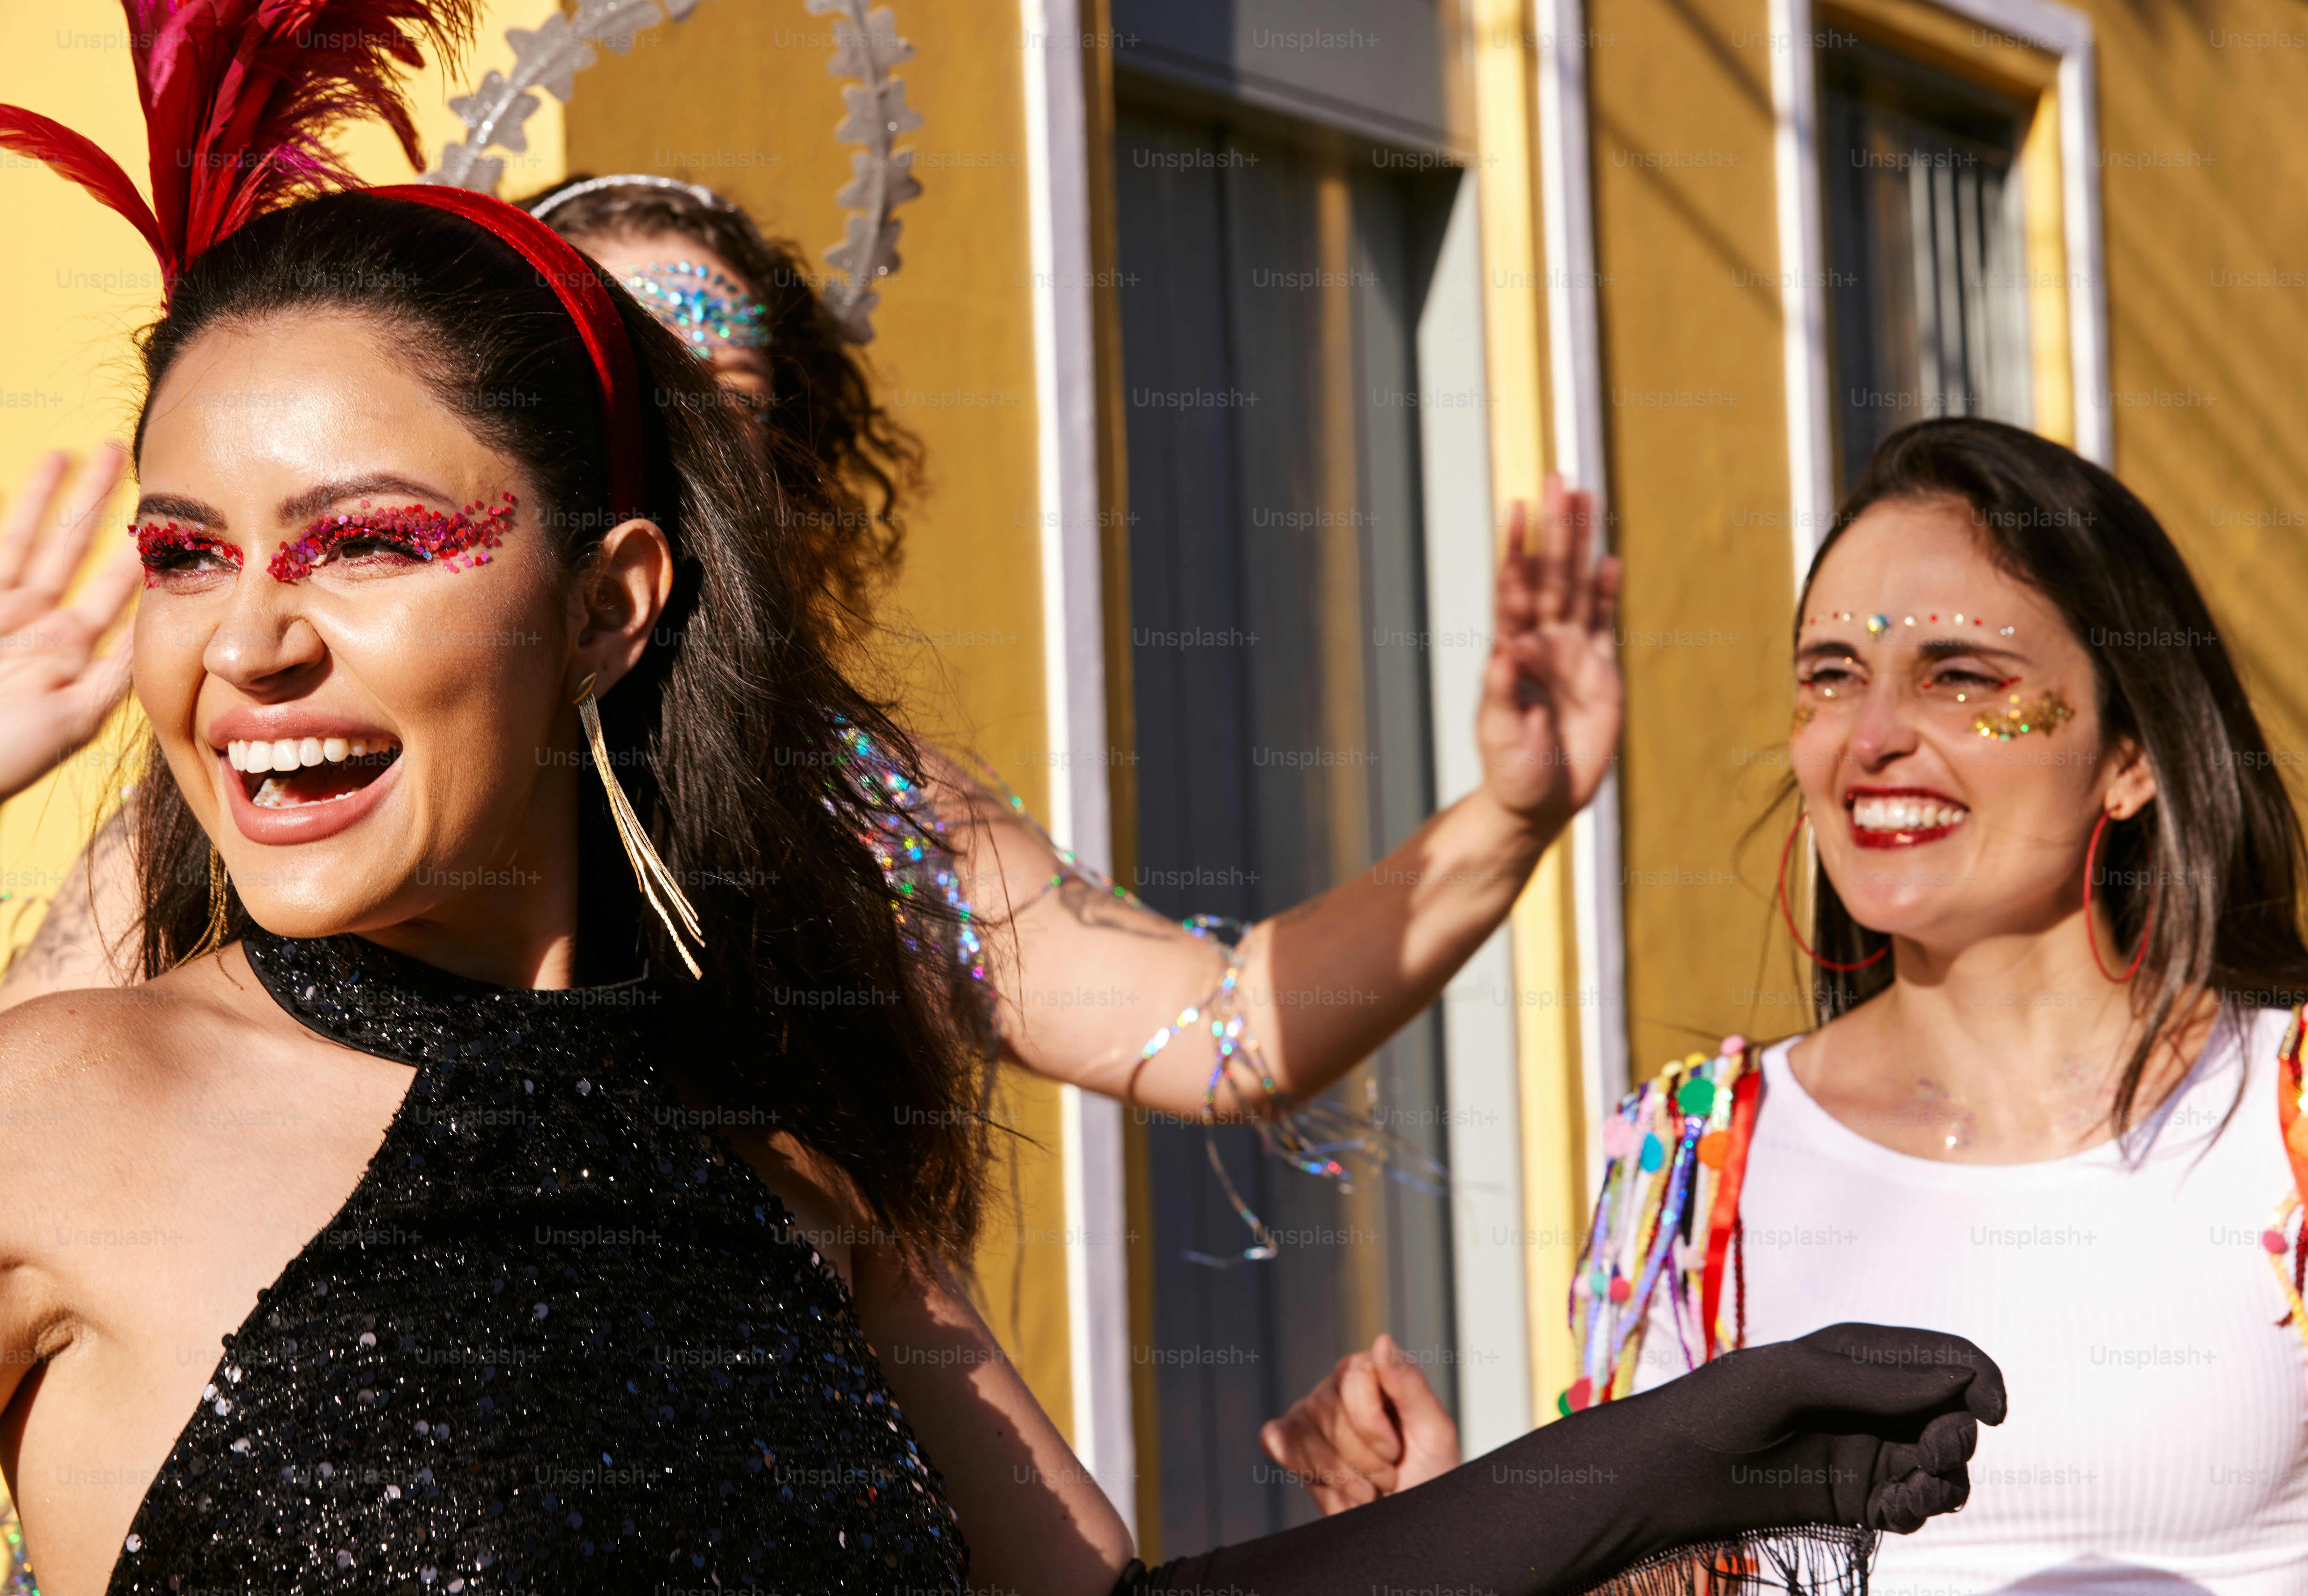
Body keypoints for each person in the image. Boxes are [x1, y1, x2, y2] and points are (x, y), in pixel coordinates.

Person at [0, 14, 2009, 1593]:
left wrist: (1649, 1457)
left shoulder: (794, 1158)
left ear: (621, 598)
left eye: (364, 538)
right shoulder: (59, 1103)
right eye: (183, 552)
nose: (245, 642)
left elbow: (1214, 1035)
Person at [1265, 415, 2308, 1596]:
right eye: (1831, 676)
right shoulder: (1695, 1156)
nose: (1871, 738)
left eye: (1960, 675)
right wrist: (1456, 1531)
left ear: (2130, 754)